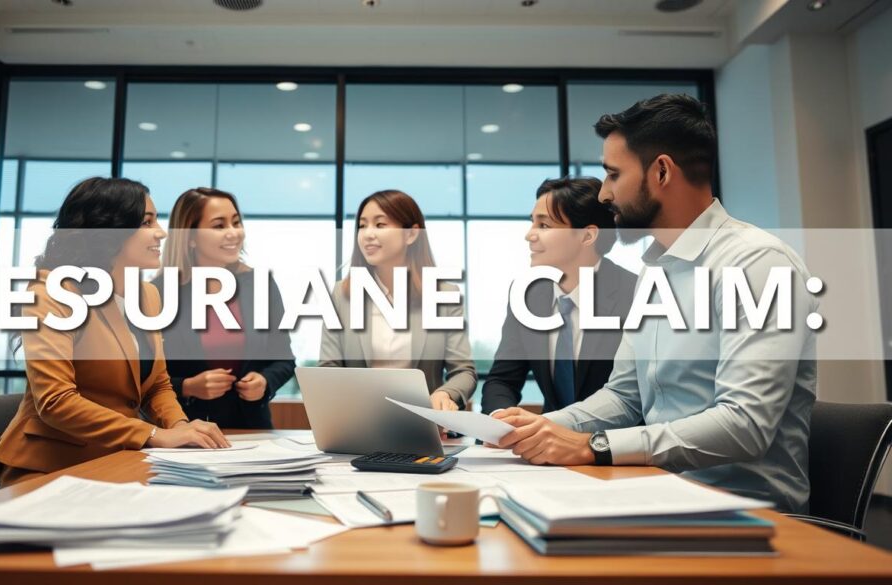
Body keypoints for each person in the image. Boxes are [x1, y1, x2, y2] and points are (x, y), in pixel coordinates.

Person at [493, 94, 817, 514]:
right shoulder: (656, 272)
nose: (605, 194)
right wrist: (540, 426)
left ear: (661, 171)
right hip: (659, 490)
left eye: (613, 175)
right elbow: (624, 396)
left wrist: (594, 446)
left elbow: (745, 425)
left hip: (744, 511)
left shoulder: (756, 264)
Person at [0, 177, 230, 486]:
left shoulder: (148, 296)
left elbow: (157, 385)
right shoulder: (51, 291)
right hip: (49, 467)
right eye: (147, 222)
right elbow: (56, 401)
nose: (161, 232)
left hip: (118, 460)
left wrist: (183, 428)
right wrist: (155, 435)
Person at [481, 177, 637, 415]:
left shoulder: (636, 294)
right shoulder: (527, 295)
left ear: (587, 236)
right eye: (532, 223)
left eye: (544, 226)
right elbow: (502, 380)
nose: (529, 235)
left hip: (615, 446)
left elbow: (640, 396)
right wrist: (501, 422)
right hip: (547, 447)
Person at [319, 189, 476, 411]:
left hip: (425, 424)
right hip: (359, 423)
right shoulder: (340, 295)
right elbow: (328, 368)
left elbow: (463, 372)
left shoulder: (444, 295)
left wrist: (445, 393)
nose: (367, 234)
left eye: (380, 225)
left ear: (411, 235)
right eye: (362, 225)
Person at [153, 187, 294, 429]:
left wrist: (264, 382)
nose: (233, 233)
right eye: (219, 226)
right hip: (184, 430)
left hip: (252, 429)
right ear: (190, 236)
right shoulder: (158, 293)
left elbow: (284, 359)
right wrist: (187, 386)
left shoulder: (261, 285)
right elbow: (143, 377)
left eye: (236, 223)